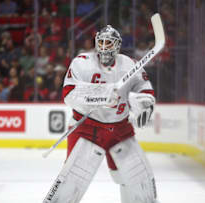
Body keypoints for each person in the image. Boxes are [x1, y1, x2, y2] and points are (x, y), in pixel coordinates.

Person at [43, 25, 159, 203]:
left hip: (120, 130)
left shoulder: (128, 64)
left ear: (117, 45)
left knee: (136, 181)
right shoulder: (81, 62)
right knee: (70, 184)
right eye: (101, 42)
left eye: (109, 43)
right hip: (87, 128)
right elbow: (69, 94)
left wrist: (144, 104)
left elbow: (143, 88)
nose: (104, 47)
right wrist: (101, 94)